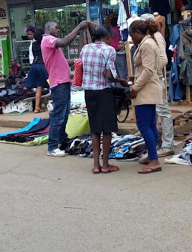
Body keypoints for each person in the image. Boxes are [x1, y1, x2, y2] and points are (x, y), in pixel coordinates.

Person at [80, 26, 128, 174]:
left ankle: (96, 165)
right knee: (106, 129)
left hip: (89, 92)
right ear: (107, 37)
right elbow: (109, 75)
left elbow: (81, 68)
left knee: (95, 129)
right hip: (104, 92)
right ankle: (105, 165)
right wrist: (122, 81)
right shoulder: (109, 50)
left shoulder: (85, 49)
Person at [42, 20, 93, 157]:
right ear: (48, 28)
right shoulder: (48, 40)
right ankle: (52, 147)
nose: (58, 30)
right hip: (58, 83)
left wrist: (79, 60)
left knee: (64, 114)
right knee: (59, 115)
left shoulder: (53, 46)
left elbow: (64, 62)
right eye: (56, 27)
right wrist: (79, 27)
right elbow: (65, 42)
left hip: (63, 82)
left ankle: (62, 140)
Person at [128, 19, 163, 174]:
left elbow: (148, 70)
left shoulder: (147, 44)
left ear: (137, 32)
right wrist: (134, 78)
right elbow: (146, 68)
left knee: (144, 125)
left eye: (131, 35)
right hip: (148, 88)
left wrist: (135, 87)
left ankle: (154, 160)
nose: (131, 39)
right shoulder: (148, 43)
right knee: (150, 125)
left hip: (146, 90)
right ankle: (152, 155)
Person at [153, 25, 175, 158]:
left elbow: (163, 59)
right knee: (155, 111)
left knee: (163, 111)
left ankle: (167, 145)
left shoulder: (156, 37)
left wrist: (152, 73)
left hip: (154, 80)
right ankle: (159, 142)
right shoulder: (153, 37)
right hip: (152, 80)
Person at [25, 28, 49, 113]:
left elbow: (32, 55)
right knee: (52, 84)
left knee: (39, 87)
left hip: (34, 66)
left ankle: (37, 107)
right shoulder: (44, 43)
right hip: (43, 66)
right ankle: (54, 104)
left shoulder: (33, 44)